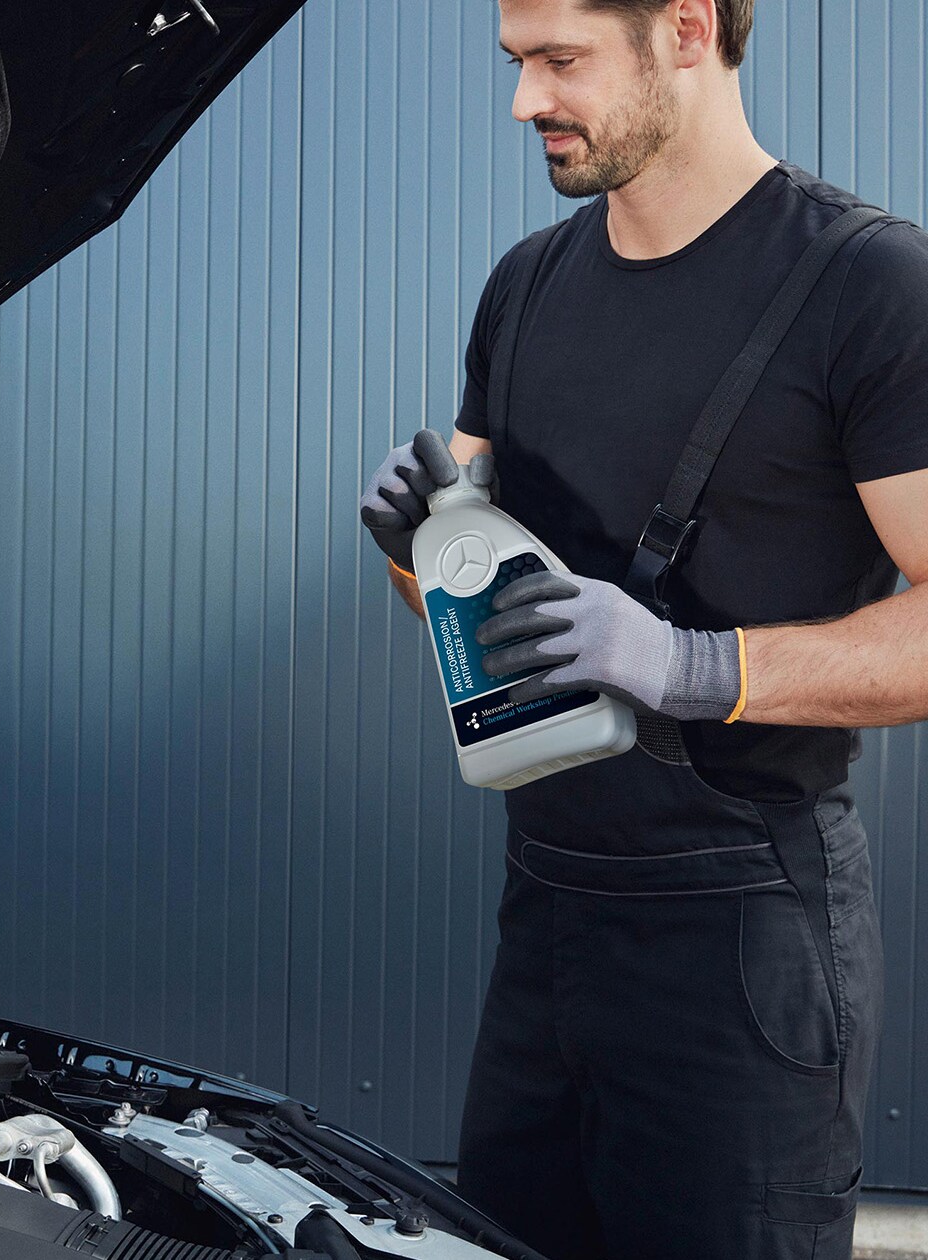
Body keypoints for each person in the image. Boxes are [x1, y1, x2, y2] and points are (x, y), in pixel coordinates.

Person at [359, 1, 928, 1257]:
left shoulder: (869, 285)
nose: (525, 103)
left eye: (562, 61)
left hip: (744, 937)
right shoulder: (528, 285)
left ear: (686, 28)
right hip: (548, 909)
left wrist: (690, 665)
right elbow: (472, 615)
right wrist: (422, 554)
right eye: (519, 63)